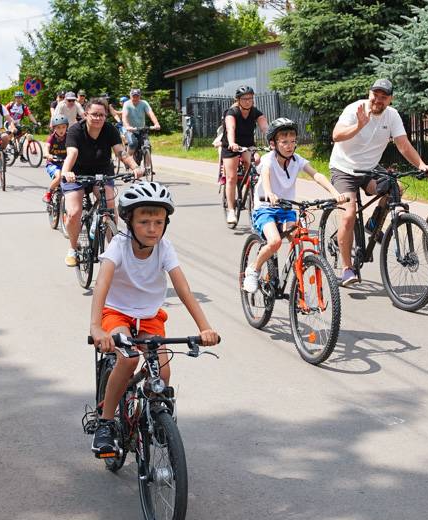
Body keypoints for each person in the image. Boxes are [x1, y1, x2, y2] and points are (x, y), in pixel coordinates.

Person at [88, 181, 220, 455]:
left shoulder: (165, 248)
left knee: (163, 369)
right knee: (128, 359)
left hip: (149, 318)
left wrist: (205, 328)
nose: (152, 229)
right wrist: (96, 328)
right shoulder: (119, 247)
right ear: (129, 222)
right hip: (116, 313)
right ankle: (106, 422)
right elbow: (101, 284)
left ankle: (154, 414)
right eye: (145, 221)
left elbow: (184, 291)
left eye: (159, 222)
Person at [329, 78, 428, 286]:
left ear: (390, 99)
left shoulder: (392, 115)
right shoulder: (355, 109)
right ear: (369, 93)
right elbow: (336, 135)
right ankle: (346, 268)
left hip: (369, 168)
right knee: (349, 214)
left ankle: (372, 224)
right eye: (375, 95)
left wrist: (421, 165)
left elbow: (403, 145)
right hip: (344, 169)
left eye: (383, 97)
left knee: (395, 189)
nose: (378, 100)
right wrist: (359, 125)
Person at [242, 118, 348, 293]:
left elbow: (316, 175)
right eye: (284, 142)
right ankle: (253, 269)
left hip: (286, 209)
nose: (289, 146)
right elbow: (266, 174)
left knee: (299, 239)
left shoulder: (297, 160)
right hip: (266, 209)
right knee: (275, 242)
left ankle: (296, 280)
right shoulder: (269, 159)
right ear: (273, 144)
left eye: (292, 141)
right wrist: (269, 193)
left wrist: (335, 193)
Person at [61, 98, 146, 267]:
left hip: (102, 171)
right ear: (85, 114)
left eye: (102, 115)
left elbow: (121, 152)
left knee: (109, 205)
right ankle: (72, 249)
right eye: (94, 114)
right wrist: (66, 172)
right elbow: (72, 153)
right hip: (76, 174)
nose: (98, 118)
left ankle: (113, 251)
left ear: (106, 116)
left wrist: (135, 166)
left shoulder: (110, 129)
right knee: (74, 212)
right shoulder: (75, 131)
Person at [221, 85, 268, 225]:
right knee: (231, 177)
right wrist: (231, 143)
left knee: (257, 161)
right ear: (238, 100)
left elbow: (265, 127)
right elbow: (230, 128)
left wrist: (273, 141)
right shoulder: (232, 112)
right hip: (232, 146)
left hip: (248, 145)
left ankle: (250, 187)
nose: (248, 101)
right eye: (244, 99)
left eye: (250, 98)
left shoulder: (255, 112)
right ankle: (230, 210)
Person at [121, 88, 161, 161]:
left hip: (141, 128)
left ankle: (148, 166)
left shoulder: (144, 103)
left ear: (140, 96)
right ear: (130, 96)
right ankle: (127, 160)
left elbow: (151, 113)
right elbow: (124, 116)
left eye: (137, 96)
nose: (135, 98)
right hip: (130, 129)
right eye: (133, 96)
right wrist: (127, 126)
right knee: (133, 144)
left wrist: (156, 124)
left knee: (147, 145)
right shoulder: (127, 104)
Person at [5, 91, 41, 160]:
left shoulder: (24, 107)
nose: (19, 99)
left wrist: (35, 123)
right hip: (8, 123)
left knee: (19, 139)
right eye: (17, 97)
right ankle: (8, 147)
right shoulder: (10, 105)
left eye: (20, 97)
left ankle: (21, 156)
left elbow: (30, 115)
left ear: (22, 98)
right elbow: (3, 111)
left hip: (17, 124)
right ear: (15, 98)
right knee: (12, 131)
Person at [43, 115, 68, 202]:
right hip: (53, 164)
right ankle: (48, 193)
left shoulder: (69, 137)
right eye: (58, 127)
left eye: (64, 127)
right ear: (54, 128)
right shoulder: (51, 138)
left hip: (66, 164)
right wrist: (47, 154)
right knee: (59, 177)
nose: (61, 130)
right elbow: (47, 146)